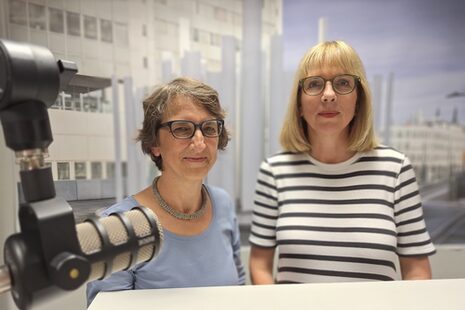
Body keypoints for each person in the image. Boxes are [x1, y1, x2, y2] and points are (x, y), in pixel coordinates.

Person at [248, 40, 435, 284]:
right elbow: (259, 264)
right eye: (314, 84)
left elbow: (417, 271)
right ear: (299, 104)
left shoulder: (396, 169)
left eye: (343, 83)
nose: (328, 95)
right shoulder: (274, 171)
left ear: (359, 101)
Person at [87, 77, 245, 305]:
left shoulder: (223, 204)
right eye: (182, 129)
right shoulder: (118, 227)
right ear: (154, 144)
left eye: (209, 128)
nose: (200, 142)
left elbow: (240, 291)